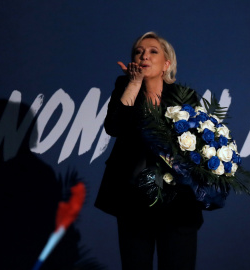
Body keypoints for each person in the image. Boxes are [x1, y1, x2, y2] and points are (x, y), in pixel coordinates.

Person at [95, 31, 203, 270]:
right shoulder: (124, 88)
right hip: (134, 202)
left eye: (153, 51)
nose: (144, 55)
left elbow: (196, 146)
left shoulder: (186, 96)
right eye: (139, 51)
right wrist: (133, 84)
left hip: (177, 204)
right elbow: (114, 127)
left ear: (166, 64)